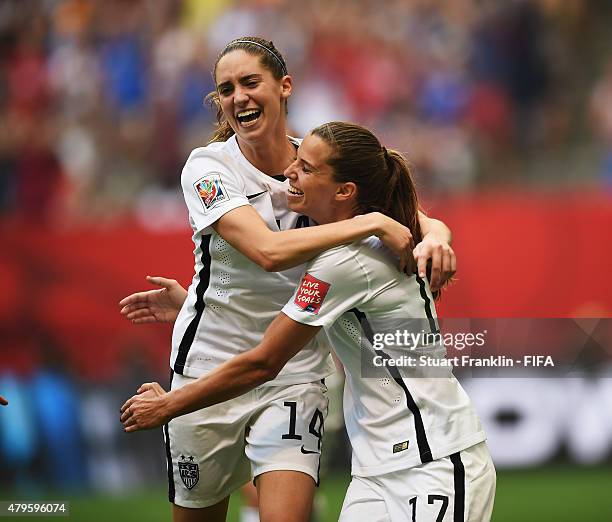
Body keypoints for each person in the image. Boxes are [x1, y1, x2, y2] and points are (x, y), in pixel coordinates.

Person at [120, 37, 456, 522]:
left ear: (285, 86)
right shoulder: (208, 167)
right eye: (226, 89)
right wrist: (372, 222)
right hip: (207, 370)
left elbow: (420, 219)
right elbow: (267, 253)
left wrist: (438, 238)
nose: (238, 97)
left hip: (293, 375)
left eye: (250, 82)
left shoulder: (318, 164)